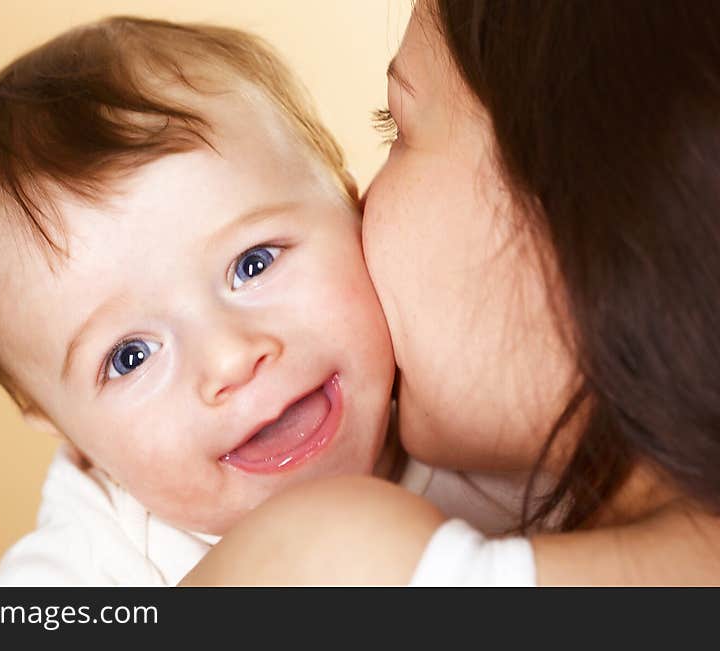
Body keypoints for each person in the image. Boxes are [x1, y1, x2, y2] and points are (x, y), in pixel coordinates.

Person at [181, 0, 720, 585]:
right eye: (128, 357)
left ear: (587, 205)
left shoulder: (341, 568)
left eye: (399, 129)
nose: (357, 209)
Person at [0, 16, 409, 585]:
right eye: (130, 355)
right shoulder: (92, 557)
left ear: (351, 205)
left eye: (253, 264)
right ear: (65, 429)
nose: (231, 358)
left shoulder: (465, 398)